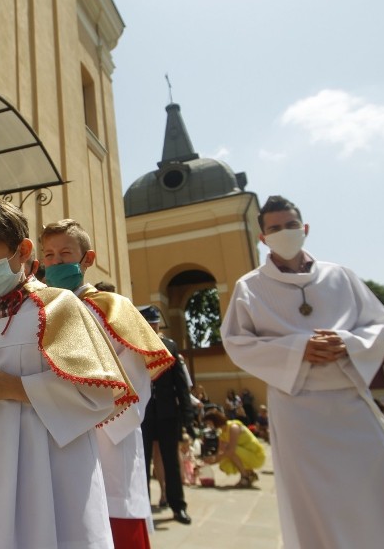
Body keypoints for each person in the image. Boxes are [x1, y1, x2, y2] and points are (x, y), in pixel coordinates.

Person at [221, 195, 384, 547]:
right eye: (274, 228)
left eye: (290, 225)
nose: (284, 232)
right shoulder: (249, 288)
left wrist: (347, 342)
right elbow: (237, 344)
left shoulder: (341, 276)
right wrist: (299, 349)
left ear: (305, 228)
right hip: (297, 409)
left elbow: (379, 325)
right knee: (316, 501)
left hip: (350, 401)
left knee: (379, 489)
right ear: (262, 238)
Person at [0, 198, 133, 548]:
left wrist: (17, 388)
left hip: (51, 465)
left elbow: (97, 394)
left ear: (23, 250)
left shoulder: (60, 306)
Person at [40, 219, 174, 548]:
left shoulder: (114, 308)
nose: (56, 262)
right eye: (49, 255)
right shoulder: (39, 310)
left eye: (65, 253)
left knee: (109, 519)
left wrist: (84, 416)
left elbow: (134, 377)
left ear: (87, 259)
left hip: (105, 438)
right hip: (49, 432)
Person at [138, 304, 195, 525]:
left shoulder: (170, 347)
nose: (153, 328)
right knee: (142, 463)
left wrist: (187, 417)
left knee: (171, 463)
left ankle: (178, 506)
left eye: (155, 324)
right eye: (149, 324)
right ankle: (143, 509)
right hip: (143, 415)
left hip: (168, 414)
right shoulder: (134, 347)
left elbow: (181, 386)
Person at [201, 409, 265, 487]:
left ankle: (245, 477)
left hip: (255, 455)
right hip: (245, 454)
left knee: (228, 449)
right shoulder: (222, 433)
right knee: (224, 463)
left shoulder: (233, 427)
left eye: (209, 423)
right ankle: (249, 473)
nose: (208, 426)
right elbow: (219, 453)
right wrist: (208, 462)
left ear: (215, 421)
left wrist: (215, 458)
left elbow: (231, 450)